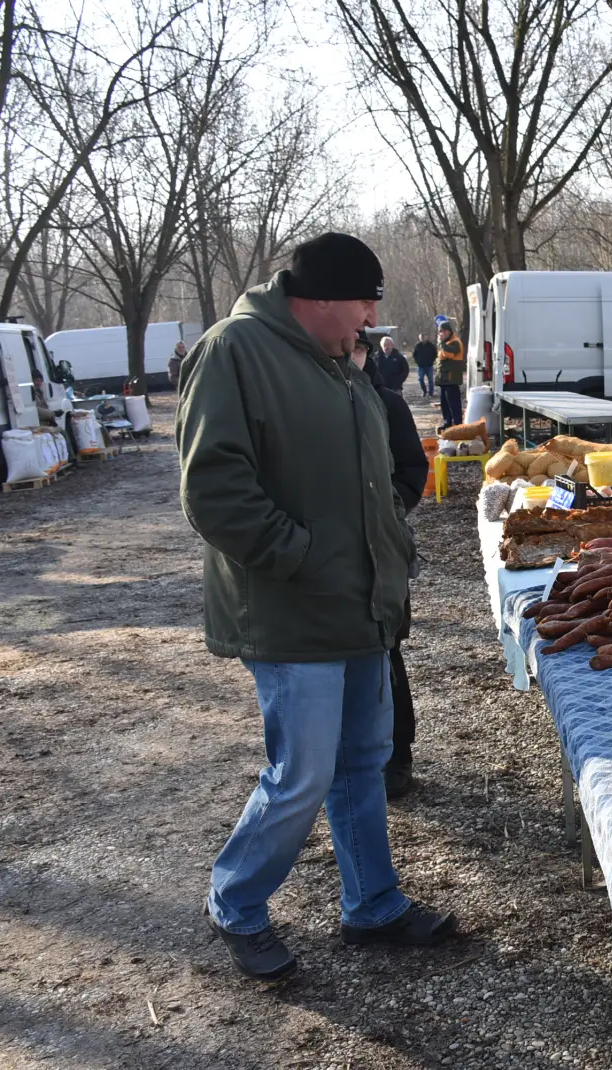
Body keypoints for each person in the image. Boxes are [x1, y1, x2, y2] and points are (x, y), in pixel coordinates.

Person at [177, 232, 456, 982]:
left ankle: (372, 904)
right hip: (291, 610)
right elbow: (213, 492)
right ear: (320, 298)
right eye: (364, 299)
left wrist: (387, 545)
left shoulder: (338, 364)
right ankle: (234, 902)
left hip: (359, 606)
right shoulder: (234, 352)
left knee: (362, 763)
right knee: (300, 774)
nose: (372, 315)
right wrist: (300, 556)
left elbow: (375, 473)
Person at [351, 332, 427, 799]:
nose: (350, 356)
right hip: (331, 559)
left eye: (358, 349)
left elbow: (413, 471)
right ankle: (356, 758)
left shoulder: (387, 403)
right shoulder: (312, 403)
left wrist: (381, 509)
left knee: (387, 656)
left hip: (383, 551)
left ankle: (398, 757)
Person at [434, 320, 465, 429]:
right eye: (440, 331)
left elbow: (450, 354)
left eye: (444, 331)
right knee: (445, 404)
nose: (442, 333)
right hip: (444, 379)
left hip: (451, 379)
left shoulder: (455, 342)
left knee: (454, 404)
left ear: (449, 331)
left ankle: (457, 425)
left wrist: (441, 343)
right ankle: (447, 423)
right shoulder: (445, 343)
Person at [412, 332, 437, 398]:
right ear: (419, 338)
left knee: (430, 380)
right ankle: (424, 391)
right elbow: (414, 355)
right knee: (420, 379)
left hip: (429, 365)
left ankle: (430, 393)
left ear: (426, 337)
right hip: (420, 366)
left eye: (424, 337)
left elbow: (435, 354)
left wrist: (432, 360)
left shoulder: (431, 345)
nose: (422, 338)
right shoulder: (417, 346)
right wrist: (417, 361)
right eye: (421, 337)